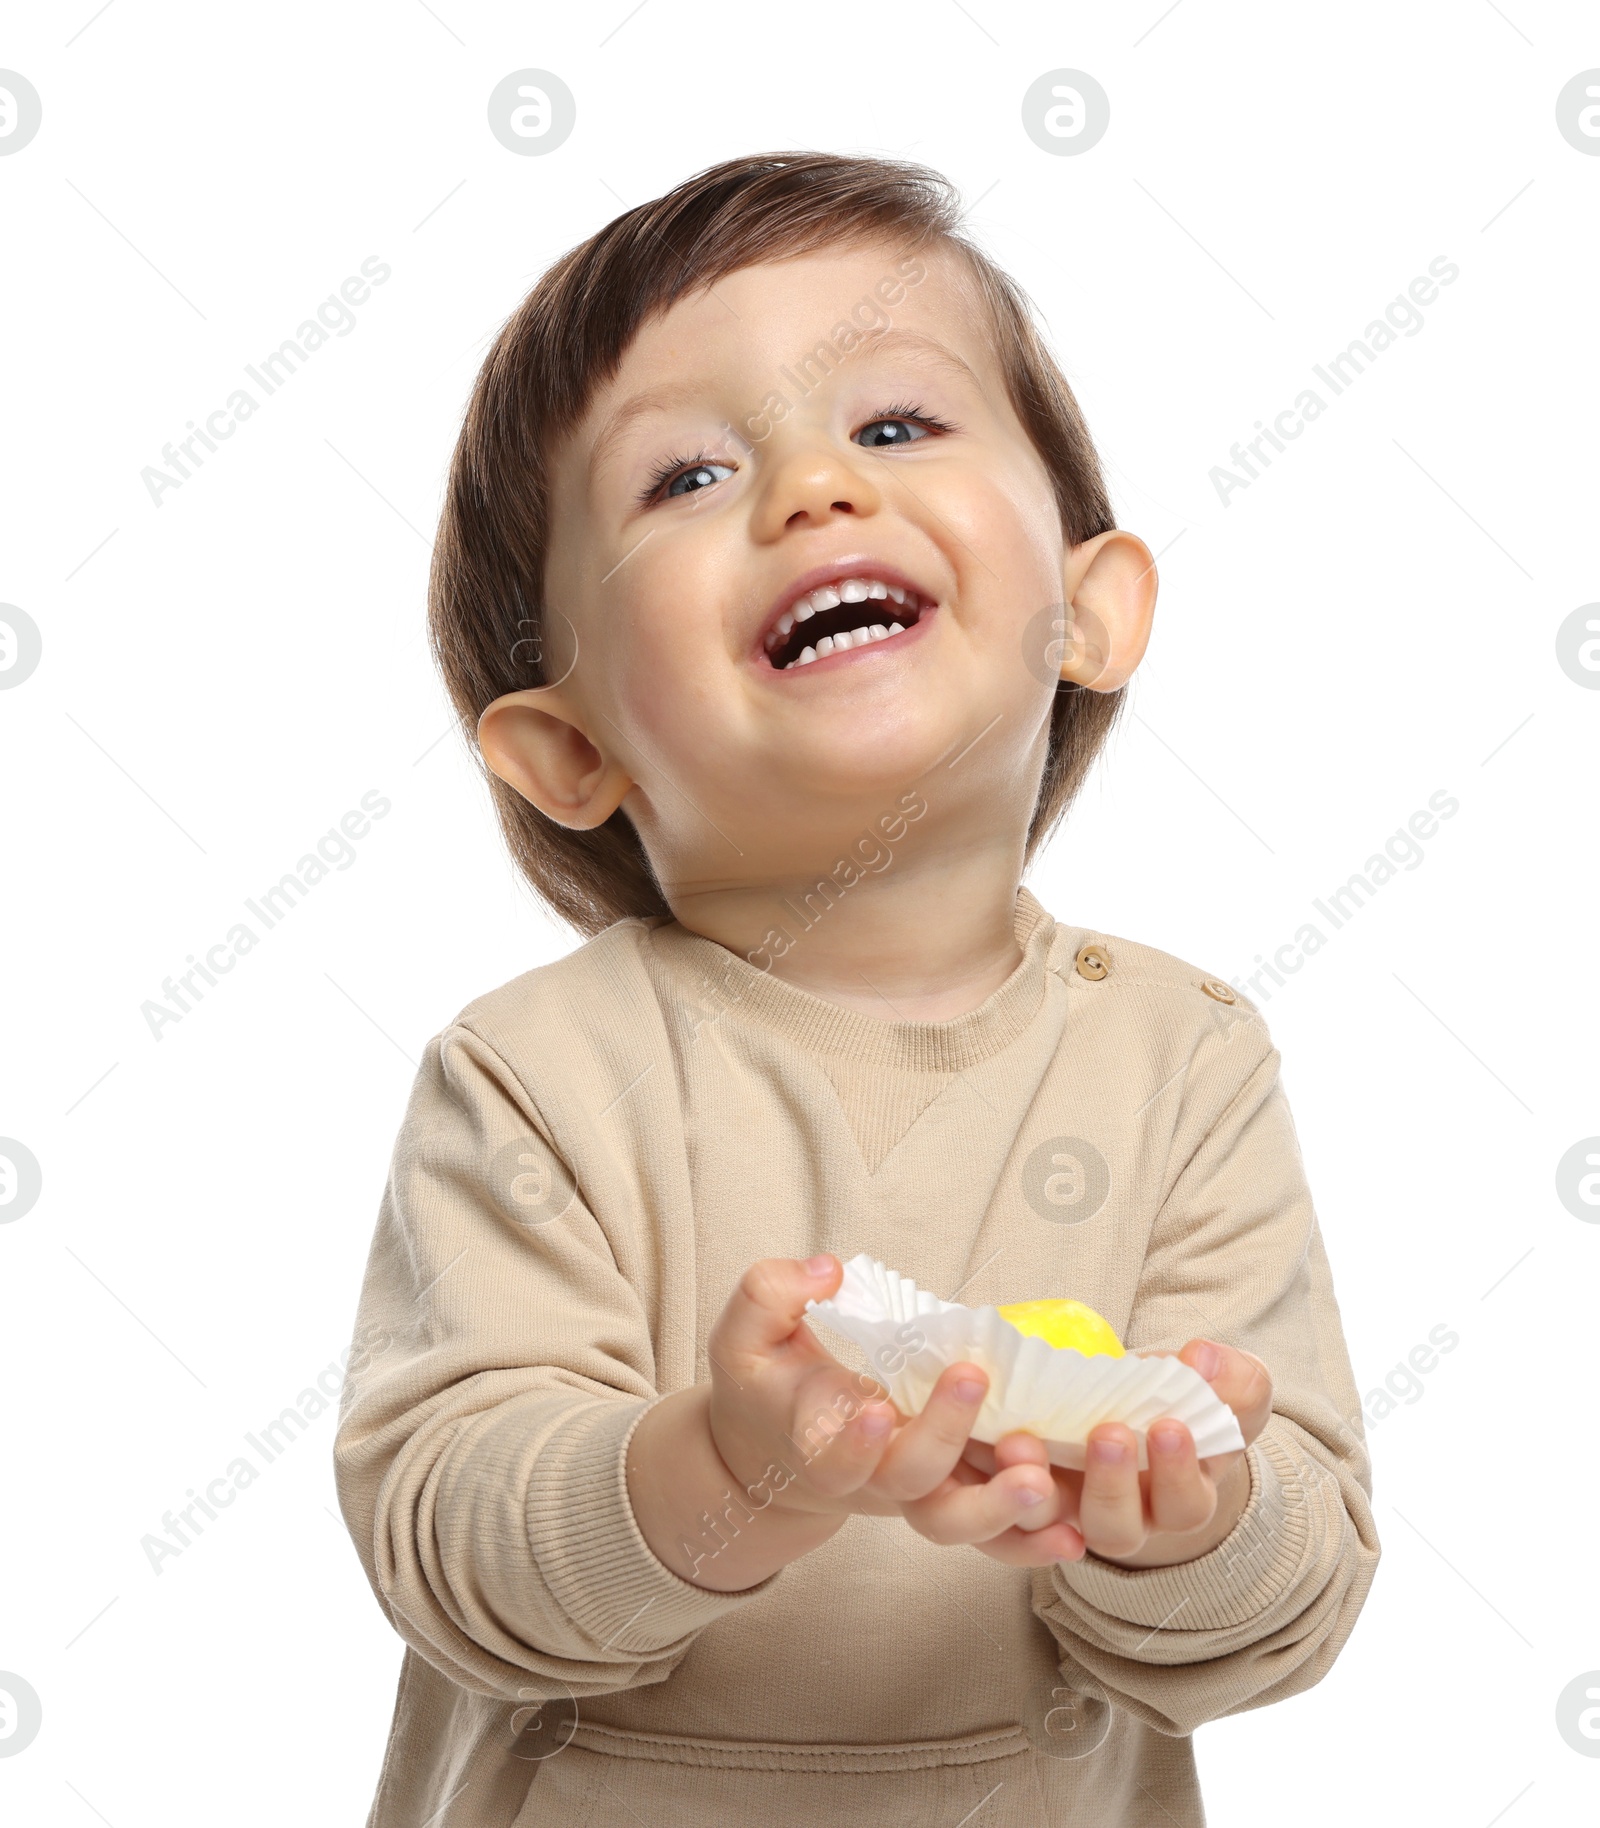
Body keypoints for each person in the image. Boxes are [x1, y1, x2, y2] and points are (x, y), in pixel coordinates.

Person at [332, 151, 1379, 1827]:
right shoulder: (538, 1073)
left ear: (1090, 613)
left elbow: (1296, 1593)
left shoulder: (1184, 1060)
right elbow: (454, 1547)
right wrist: (733, 1472)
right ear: (570, 749)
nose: (814, 488)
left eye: (894, 427)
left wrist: (1193, 1517)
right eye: (684, 473)